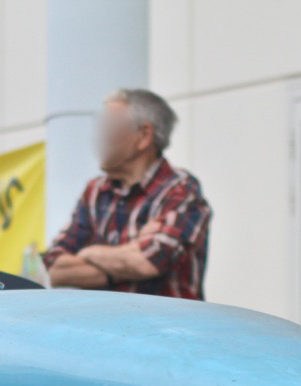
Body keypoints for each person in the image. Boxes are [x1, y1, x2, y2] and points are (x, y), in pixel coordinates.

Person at [43, 89, 213, 301]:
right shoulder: (95, 191)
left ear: (144, 136)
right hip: (106, 321)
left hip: (165, 321)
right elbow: (55, 269)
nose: (99, 136)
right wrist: (127, 259)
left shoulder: (181, 189)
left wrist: (89, 253)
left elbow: (147, 262)